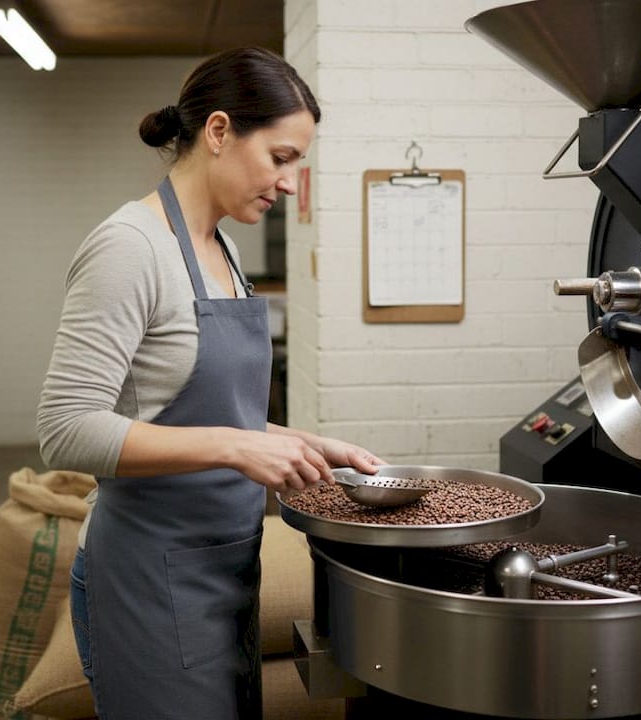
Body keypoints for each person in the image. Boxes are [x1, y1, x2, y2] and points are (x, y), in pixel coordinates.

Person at [36, 46, 385, 719]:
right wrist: (237, 447)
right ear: (219, 132)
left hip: (221, 569)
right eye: (281, 158)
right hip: (147, 580)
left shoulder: (220, 247)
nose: (289, 183)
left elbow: (205, 411)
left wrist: (306, 443)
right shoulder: (130, 248)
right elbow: (65, 428)